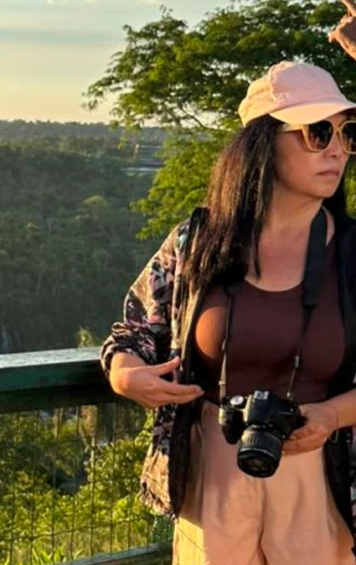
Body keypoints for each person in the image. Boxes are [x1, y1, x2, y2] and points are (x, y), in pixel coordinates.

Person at [101, 59, 356, 564]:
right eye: (316, 131)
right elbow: (132, 330)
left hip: (321, 475)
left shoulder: (351, 254)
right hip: (213, 471)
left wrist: (331, 414)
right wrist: (126, 377)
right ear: (263, 144)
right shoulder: (199, 241)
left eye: (348, 134)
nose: (336, 150)